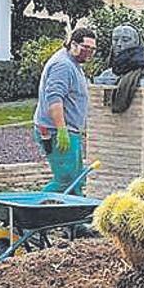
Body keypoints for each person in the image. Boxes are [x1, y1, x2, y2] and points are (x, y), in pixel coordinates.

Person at [33, 27, 96, 195]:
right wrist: (61, 129)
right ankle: (31, 213)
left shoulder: (73, 63)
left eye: (92, 49)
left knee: (76, 179)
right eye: (85, 48)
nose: (88, 53)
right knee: (66, 180)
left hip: (70, 130)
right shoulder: (63, 65)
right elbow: (54, 98)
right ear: (73, 44)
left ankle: (73, 217)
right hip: (56, 131)